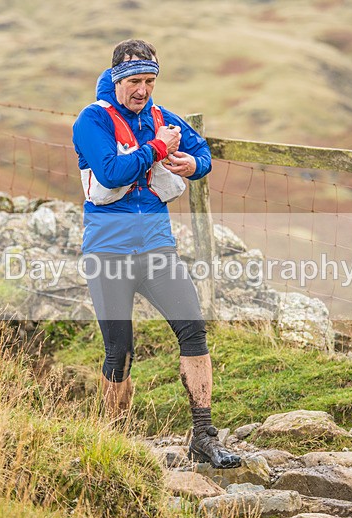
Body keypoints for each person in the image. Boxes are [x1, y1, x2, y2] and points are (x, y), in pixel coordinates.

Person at [72, 39, 241, 469]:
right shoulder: (91, 120)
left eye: (149, 81)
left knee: (194, 331)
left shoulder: (161, 118)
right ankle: (114, 443)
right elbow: (111, 171)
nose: (143, 90)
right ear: (115, 80)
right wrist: (159, 149)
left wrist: (193, 165)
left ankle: (203, 436)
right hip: (108, 252)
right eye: (134, 81)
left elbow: (203, 151)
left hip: (157, 247)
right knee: (119, 351)